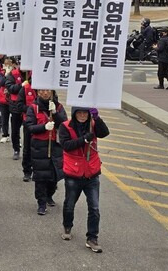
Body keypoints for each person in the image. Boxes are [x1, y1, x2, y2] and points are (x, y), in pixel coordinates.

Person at [58, 107, 110, 252]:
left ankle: (92, 238)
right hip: (74, 173)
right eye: (79, 113)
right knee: (69, 204)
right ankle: (67, 226)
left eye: (85, 113)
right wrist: (83, 139)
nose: (82, 115)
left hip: (91, 173)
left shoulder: (93, 124)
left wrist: (97, 119)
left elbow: (104, 133)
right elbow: (66, 145)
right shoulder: (65, 126)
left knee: (94, 207)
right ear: (74, 114)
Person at [25, 89, 67, 215]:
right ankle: (41, 203)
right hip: (39, 147)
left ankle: (50, 195)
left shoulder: (58, 107)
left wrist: (55, 113)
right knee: (41, 177)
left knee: (54, 175)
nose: (45, 93)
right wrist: (44, 127)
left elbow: (65, 124)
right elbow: (29, 126)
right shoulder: (33, 108)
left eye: (47, 91)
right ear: (38, 93)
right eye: (42, 91)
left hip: (55, 146)